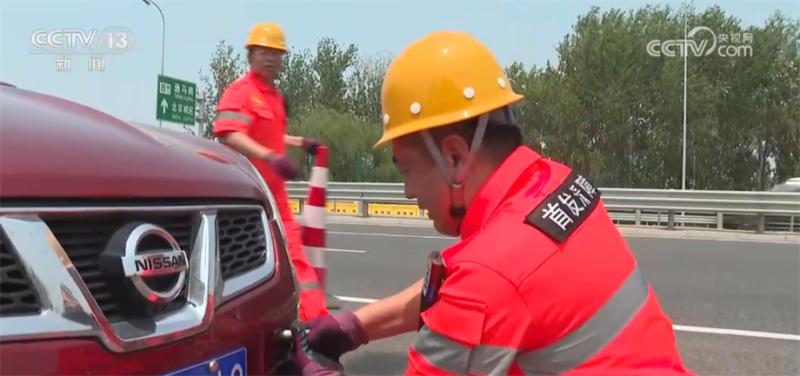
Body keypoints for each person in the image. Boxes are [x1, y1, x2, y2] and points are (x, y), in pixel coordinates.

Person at [303, 31, 692, 375]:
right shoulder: (557, 182)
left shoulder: (487, 278)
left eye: (406, 169)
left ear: (453, 157)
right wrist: (354, 326)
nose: (406, 191)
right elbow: (459, 288)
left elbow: (479, 289)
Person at [212, 22, 328, 322]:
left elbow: (271, 135)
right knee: (244, 268)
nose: (271, 58)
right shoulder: (240, 92)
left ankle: (318, 323)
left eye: (277, 53)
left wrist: (301, 143)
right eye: (264, 52)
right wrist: (270, 157)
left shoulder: (274, 97)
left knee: (296, 257)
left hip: (276, 195)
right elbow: (229, 134)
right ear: (251, 54)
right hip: (246, 196)